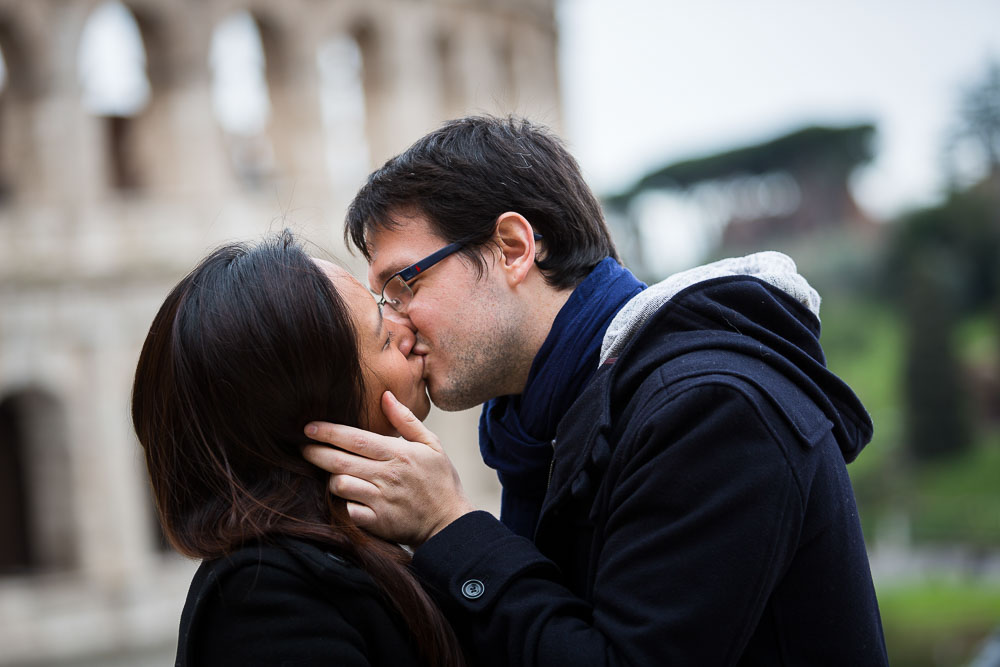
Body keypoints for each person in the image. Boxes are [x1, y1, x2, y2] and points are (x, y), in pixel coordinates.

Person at [302, 115, 889, 665]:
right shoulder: (543, 426)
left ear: (513, 248)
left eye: (403, 284)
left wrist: (447, 530)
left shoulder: (711, 409)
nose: (397, 322)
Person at [131, 231, 466, 666]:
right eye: (384, 338)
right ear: (315, 405)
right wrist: (451, 525)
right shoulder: (264, 601)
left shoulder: (332, 557)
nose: (409, 329)